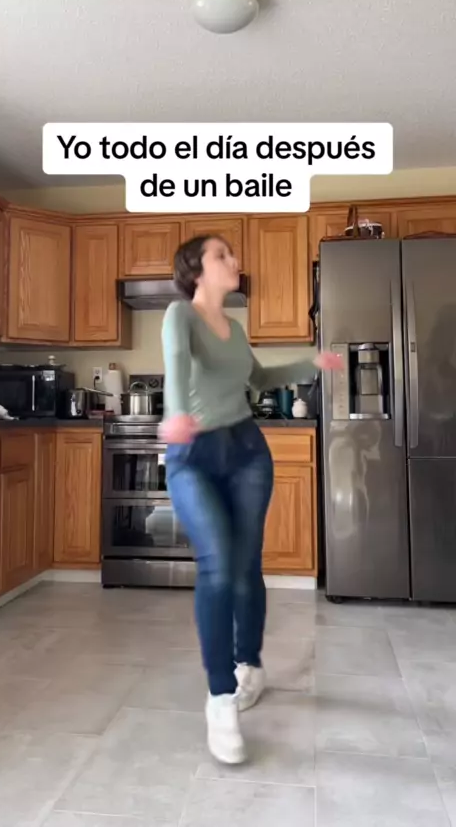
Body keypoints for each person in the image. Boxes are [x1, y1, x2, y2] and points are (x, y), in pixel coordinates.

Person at [160, 234, 342, 765]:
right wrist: (176, 413)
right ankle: (220, 698)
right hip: (194, 454)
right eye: (221, 255)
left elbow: (259, 377)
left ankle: (250, 666)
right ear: (195, 270)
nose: (234, 260)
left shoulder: (235, 329)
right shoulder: (180, 315)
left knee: (244, 567)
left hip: (245, 451)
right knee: (218, 565)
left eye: (231, 254)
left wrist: (312, 363)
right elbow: (176, 362)